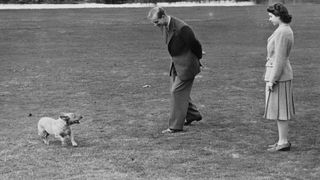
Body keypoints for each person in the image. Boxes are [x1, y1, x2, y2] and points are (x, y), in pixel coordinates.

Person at [147, 7, 203, 133]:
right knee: (178, 91)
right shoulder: (166, 25)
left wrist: (198, 58)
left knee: (176, 91)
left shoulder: (182, 28)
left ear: (163, 16)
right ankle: (193, 115)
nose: (155, 25)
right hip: (177, 63)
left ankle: (175, 127)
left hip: (187, 65)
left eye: (156, 22)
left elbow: (195, 44)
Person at [264, 3, 295, 152]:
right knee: (278, 110)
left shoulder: (283, 32)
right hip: (279, 74)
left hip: (280, 76)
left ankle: (283, 142)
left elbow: (280, 59)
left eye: (271, 16)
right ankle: (281, 141)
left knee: (281, 110)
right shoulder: (282, 30)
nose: (269, 19)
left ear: (278, 16)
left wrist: (272, 80)